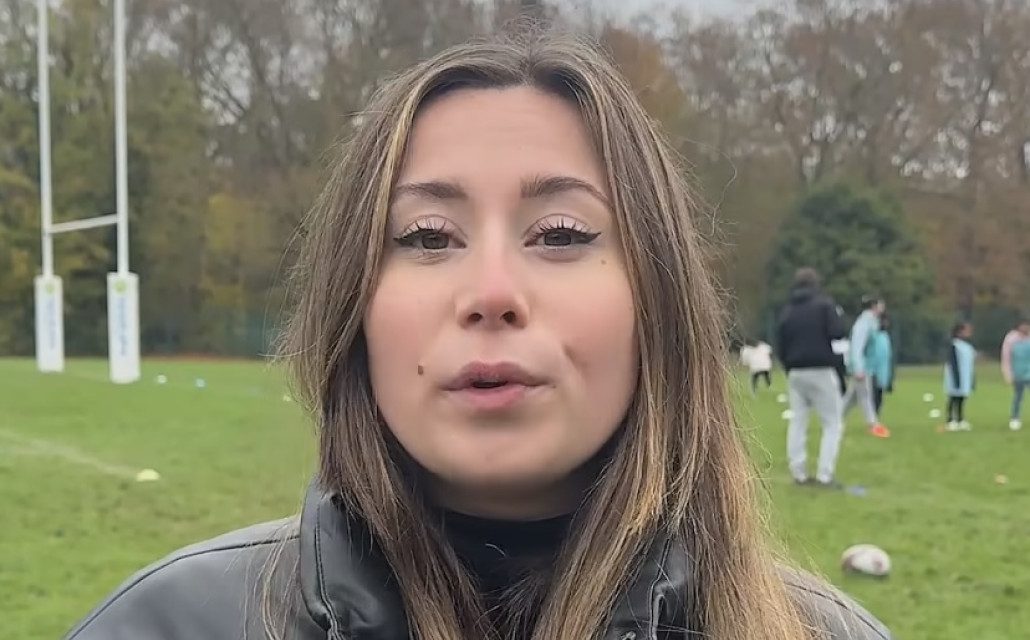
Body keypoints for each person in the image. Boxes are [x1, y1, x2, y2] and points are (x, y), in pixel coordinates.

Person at [62, 29, 892, 640]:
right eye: (428, 237)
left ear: (659, 299)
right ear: (354, 303)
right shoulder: (163, 626)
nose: (491, 293)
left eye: (560, 233)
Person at [775, 267, 850, 489]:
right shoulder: (825, 306)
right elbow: (837, 335)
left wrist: (789, 367)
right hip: (821, 369)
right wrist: (840, 369)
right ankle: (824, 474)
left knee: (798, 421)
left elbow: (780, 344)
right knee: (832, 423)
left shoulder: (787, 311)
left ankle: (798, 472)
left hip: (795, 372)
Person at [842, 296, 890, 438]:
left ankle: (834, 418)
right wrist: (858, 368)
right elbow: (857, 347)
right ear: (874, 306)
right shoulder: (863, 323)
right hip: (862, 367)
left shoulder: (872, 322)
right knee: (865, 396)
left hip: (868, 367)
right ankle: (873, 424)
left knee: (852, 397)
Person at [944, 321, 976, 431]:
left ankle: (960, 419)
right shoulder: (954, 345)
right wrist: (956, 378)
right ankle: (950, 420)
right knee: (953, 398)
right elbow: (952, 363)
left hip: (965, 377)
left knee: (961, 399)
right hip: (955, 376)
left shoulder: (967, 347)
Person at [1001, 319, 1030, 431]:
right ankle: (1015, 418)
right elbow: (1006, 357)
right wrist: (1008, 374)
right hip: (1017, 372)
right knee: (1017, 396)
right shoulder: (1011, 338)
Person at [868, 313, 895, 416]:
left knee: (879, 397)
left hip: (882, 373)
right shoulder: (873, 335)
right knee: (872, 397)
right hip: (872, 371)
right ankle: (872, 418)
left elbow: (887, 357)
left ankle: (875, 417)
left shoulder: (885, 336)